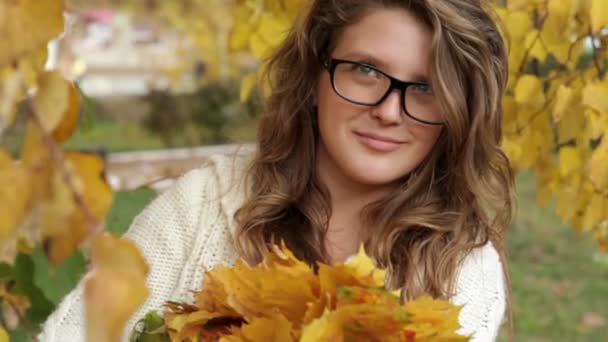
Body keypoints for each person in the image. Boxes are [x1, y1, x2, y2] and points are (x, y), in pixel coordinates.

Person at [40, 0, 514, 341]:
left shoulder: (462, 265)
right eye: (366, 71)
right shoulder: (206, 201)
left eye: (427, 87)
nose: (390, 111)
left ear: (458, 114)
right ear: (314, 77)